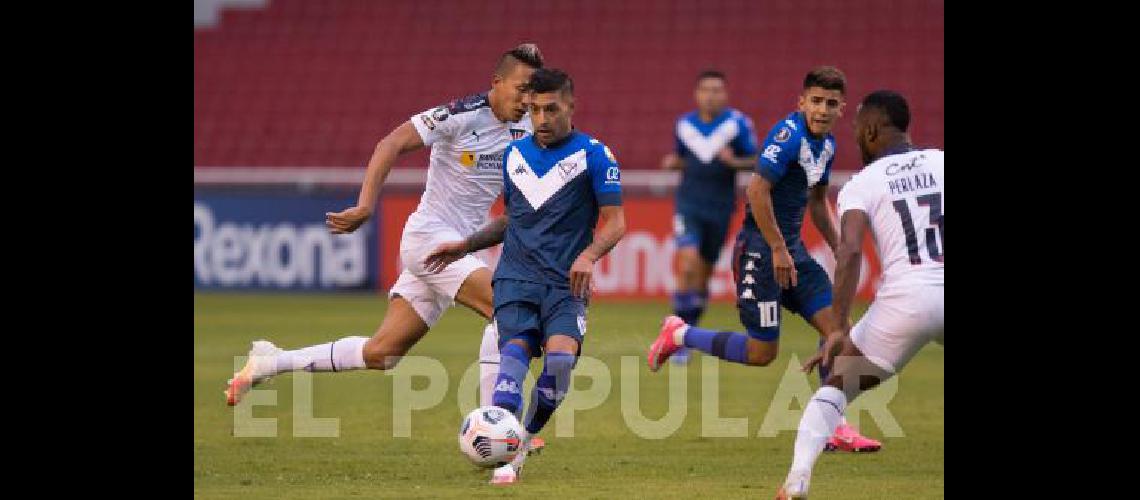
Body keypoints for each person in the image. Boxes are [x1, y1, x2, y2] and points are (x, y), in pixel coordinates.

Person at [648, 66, 879, 452]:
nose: (822, 109)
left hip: (792, 254)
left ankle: (834, 426)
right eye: (816, 101)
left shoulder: (827, 145)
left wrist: (838, 245)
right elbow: (757, 190)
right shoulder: (787, 136)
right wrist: (777, 249)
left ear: (843, 108)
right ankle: (679, 334)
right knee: (762, 354)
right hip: (760, 251)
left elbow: (818, 202)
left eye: (831, 103)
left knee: (841, 334)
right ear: (801, 102)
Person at [424, 68, 626, 485]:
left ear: (571, 106)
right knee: (512, 359)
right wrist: (466, 245)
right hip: (515, 279)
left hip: (565, 286)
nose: (542, 119)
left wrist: (589, 256)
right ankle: (502, 452)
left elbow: (615, 223)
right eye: (534, 110)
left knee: (560, 362)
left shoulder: (595, 155)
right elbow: (511, 221)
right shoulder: (515, 155)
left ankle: (521, 443)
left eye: (551, 109)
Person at [776, 90, 943, 499]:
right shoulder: (941, 161)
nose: (853, 136)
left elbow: (849, 251)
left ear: (871, 129)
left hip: (905, 303)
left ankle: (797, 478)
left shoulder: (863, 183)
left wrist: (836, 325)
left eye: (855, 129)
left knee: (834, 388)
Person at [660, 70, 759, 364]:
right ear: (697, 94)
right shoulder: (684, 125)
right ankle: (675, 339)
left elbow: (756, 160)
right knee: (687, 264)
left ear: (725, 94)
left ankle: (686, 332)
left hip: (720, 208)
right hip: (688, 205)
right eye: (706, 90)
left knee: (702, 277)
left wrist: (736, 161)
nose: (711, 95)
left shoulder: (737, 124)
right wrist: (674, 163)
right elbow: (682, 157)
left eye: (717, 90)